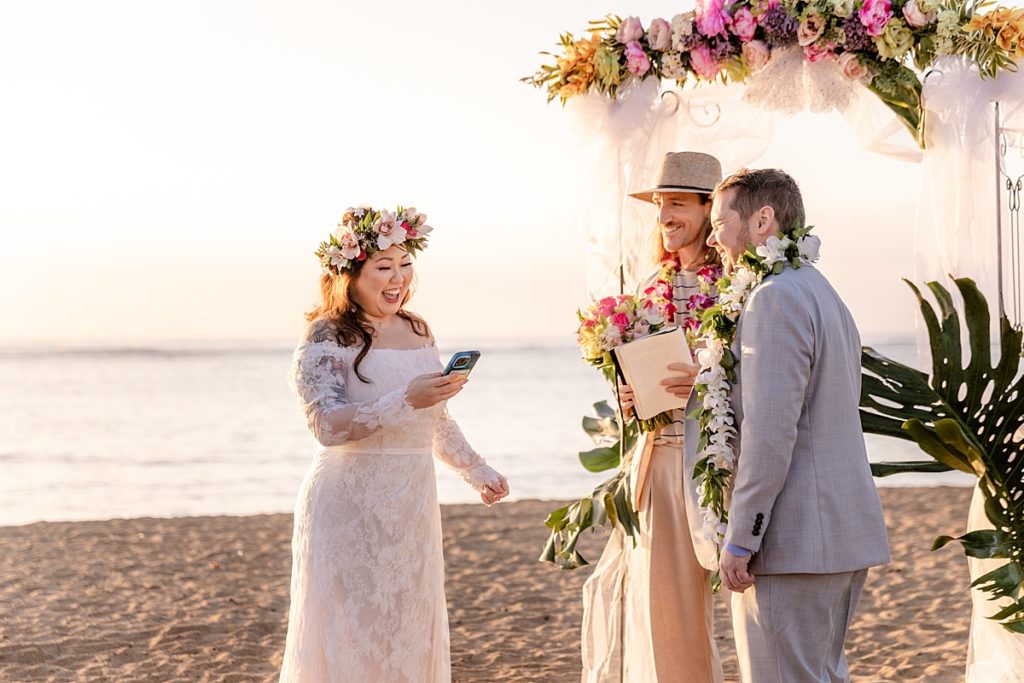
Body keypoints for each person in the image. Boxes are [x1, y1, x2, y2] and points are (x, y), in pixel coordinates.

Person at [279, 205, 509, 683]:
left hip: (411, 503)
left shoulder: (418, 329)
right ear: (350, 274)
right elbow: (326, 425)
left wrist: (477, 471)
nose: (398, 278)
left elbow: (435, 422)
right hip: (347, 503)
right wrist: (405, 398)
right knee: (349, 636)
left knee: (406, 630)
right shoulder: (327, 334)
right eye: (384, 267)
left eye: (405, 265)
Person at [707, 169, 890, 683]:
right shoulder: (821, 291)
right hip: (838, 533)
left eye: (722, 222)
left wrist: (742, 538)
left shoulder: (773, 299)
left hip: (796, 542)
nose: (713, 237)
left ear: (763, 220)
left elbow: (770, 433)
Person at [580, 152, 725, 683]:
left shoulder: (734, 283)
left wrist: (708, 383)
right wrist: (628, 395)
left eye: (679, 204)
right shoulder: (647, 287)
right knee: (664, 598)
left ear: (711, 210)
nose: (666, 215)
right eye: (661, 204)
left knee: (752, 596)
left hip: (723, 452)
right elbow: (641, 371)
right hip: (661, 453)